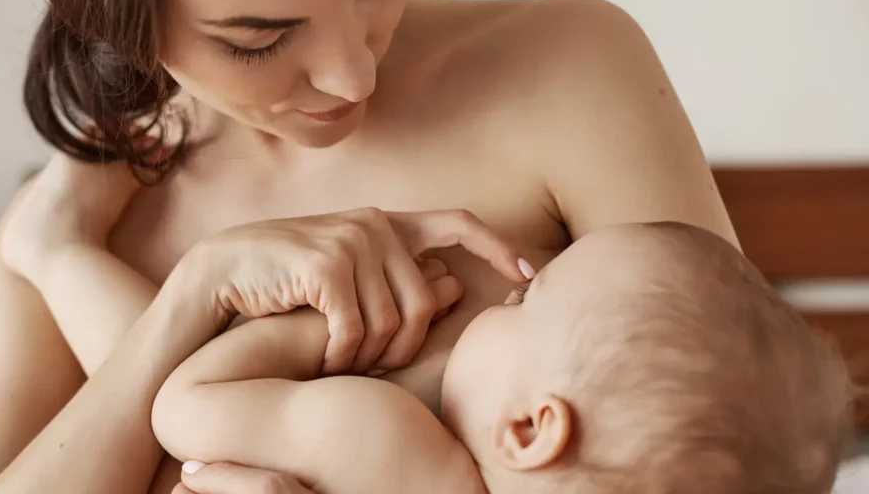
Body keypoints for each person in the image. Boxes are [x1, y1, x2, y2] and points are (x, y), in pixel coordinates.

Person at [0, 0, 739, 492]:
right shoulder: (69, 223)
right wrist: (191, 290)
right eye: (258, 40)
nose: (354, 77)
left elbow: (727, 439)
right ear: (112, 11)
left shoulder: (569, 70)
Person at [153, 223, 853, 494]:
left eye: (527, 301)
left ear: (529, 429)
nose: (509, 293)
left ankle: (57, 253)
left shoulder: (383, 441)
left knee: (115, 322)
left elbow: (180, 408)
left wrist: (325, 331)